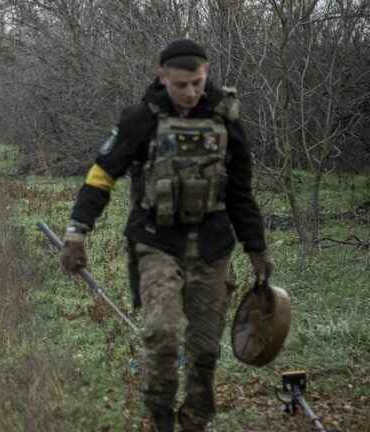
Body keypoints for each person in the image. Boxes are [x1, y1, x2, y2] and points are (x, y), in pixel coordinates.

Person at [60, 39, 274, 432]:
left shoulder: (226, 119)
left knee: (205, 347)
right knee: (161, 333)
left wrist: (257, 249)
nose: (191, 92)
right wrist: (77, 231)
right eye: (181, 85)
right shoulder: (141, 118)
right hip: (156, 240)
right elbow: (101, 175)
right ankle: (160, 419)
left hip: (212, 244)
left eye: (197, 82)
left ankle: (195, 421)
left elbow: (241, 193)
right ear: (163, 78)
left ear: (206, 73)